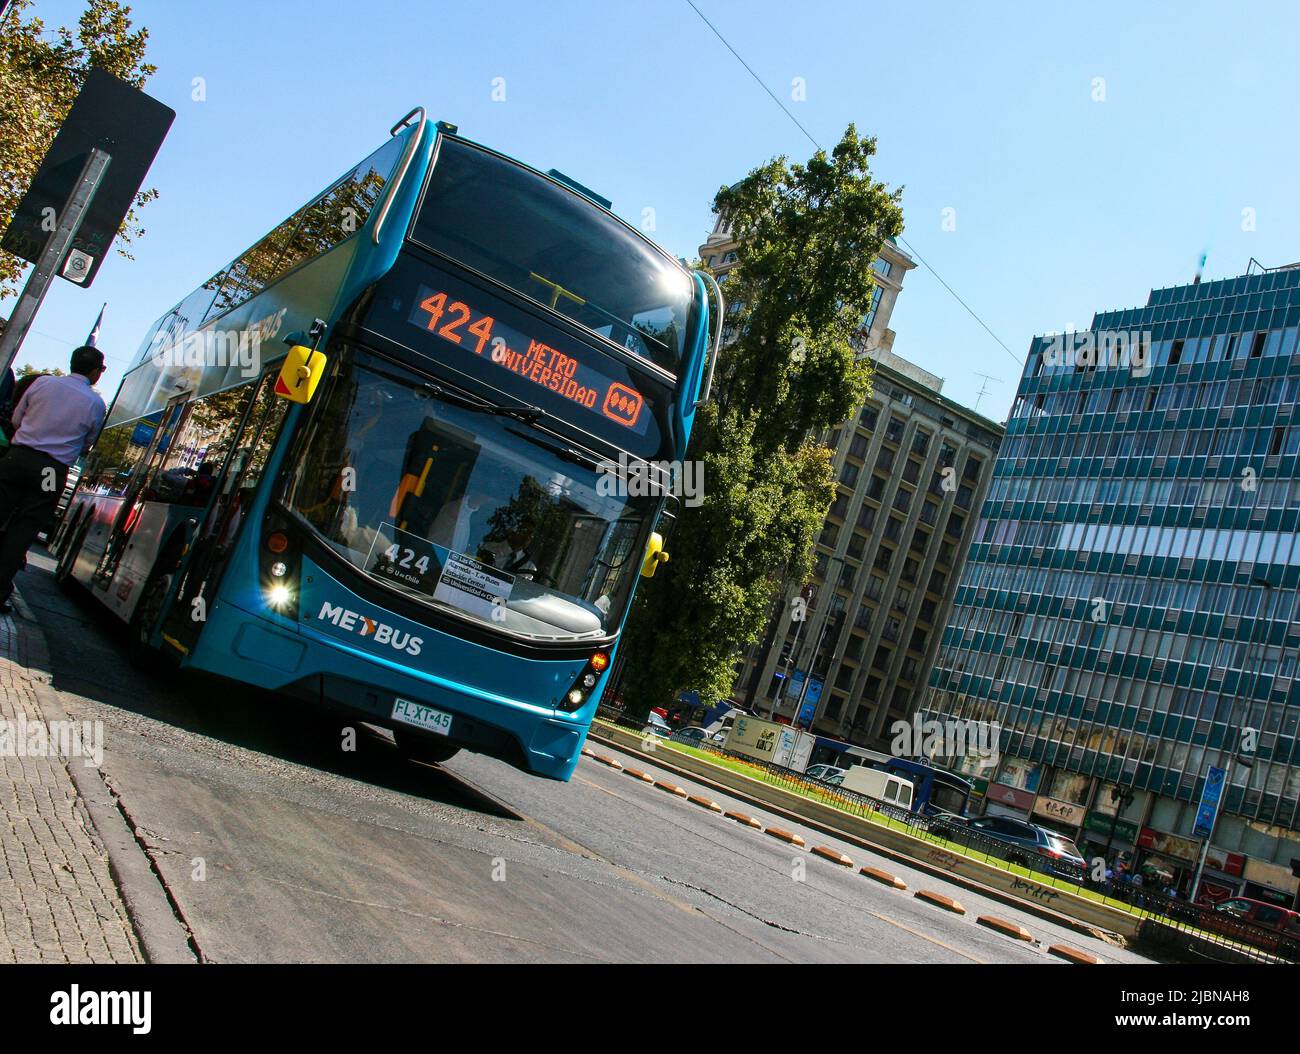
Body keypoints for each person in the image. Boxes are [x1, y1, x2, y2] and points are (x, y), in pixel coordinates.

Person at [0, 346, 107, 613]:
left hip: (18, 458)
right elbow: (88, 442)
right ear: (95, 372)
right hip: (50, 470)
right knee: (24, 529)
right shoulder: (95, 403)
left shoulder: (42, 384)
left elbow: (16, 419)